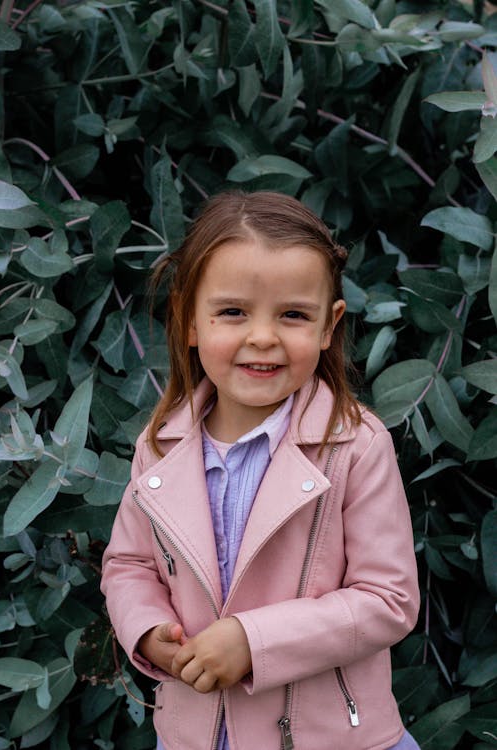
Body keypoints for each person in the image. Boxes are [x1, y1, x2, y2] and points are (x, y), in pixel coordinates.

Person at [101, 191, 421, 750]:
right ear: (189, 319)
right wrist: (150, 633)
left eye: (293, 314)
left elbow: (387, 600)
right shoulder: (160, 446)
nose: (263, 337)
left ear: (328, 326)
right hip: (194, 734)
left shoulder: (356, 447)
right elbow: (129, 563)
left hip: (327, 738)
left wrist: (254, 641)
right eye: (232, 312)